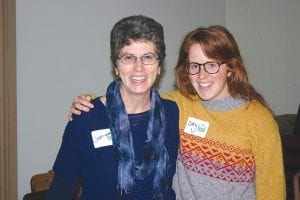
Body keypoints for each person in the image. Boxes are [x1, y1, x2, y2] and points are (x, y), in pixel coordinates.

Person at [69, 25, 286, 200]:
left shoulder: (259, 120)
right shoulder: (178, 105)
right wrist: (90, 102)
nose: (202, 75)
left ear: (230, 68)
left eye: (211, 65)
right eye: (194, 66)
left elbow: (272, 189)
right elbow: (134, 99)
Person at [45, 15, 179, 200]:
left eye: (148, 57)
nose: (138, 68)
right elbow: (61, 190)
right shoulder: (86, 118)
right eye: (128, 57)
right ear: (116, 66)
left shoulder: (172, 112)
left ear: (159, 66)